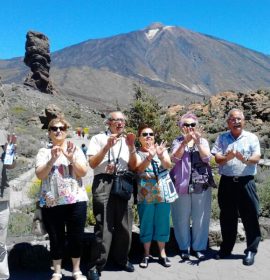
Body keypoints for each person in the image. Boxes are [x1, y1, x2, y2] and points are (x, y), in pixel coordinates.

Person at [35, 117, 89, 280]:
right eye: (54, 128)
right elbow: (40, 174)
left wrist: (71, 158)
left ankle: (76, 270)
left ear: (66, 131)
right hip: (52, 201)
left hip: (76, 200)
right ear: (49, 132)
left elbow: (83, 172)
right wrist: (51, 160)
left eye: (62, 128)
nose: (58, 131)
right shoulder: (43, 152)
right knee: (55, 237)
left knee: (76, 237)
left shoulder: (75, 149)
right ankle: (57, 271)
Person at [86, 111, 137, 280]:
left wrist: (131, 148)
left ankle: (122, 259)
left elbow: (134, 166)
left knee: (125, 224)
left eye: (123, 120)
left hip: (123, 181)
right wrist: (107, 147)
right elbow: (92, 163)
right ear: (109, 122)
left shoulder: (126, 140)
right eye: (117, 120)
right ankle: (96, 265)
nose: (120, 123)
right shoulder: (98, 139)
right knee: (103, 225)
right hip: (104, 182)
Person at [211, 108, 261, 266]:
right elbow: (218, 158)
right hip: (227, 182)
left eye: (239, 119)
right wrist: (228, 157)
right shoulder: (222, 138)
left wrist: (244, 159)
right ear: (228, 122)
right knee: (227, 216)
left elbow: (256, 157)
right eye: (233, 119)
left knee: (251, 216)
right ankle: (226, 248)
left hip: (246, 182)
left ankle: (251, 250)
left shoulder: (251, 138)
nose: (236, 121)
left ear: (244, 121)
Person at [170, 112, 214, 260]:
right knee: (181, 217)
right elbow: (174, 158)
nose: (189, 127)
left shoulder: (203, 141)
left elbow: (207, 158)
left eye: (192, 125)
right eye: (186, 124)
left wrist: (197, 143)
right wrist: (184, 142)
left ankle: (199, 247)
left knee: (200, 217)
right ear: (181, 127)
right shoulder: (177, 141)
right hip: (181, 185)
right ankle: (184, 247)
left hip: (200, 184)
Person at [135, 125, 176, 268]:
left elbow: (168, 164)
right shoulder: (136, 153)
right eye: (144, 134)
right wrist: (150, 156)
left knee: (163, 222)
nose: (148, 136)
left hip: (162, 192)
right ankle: (146, 254)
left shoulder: (161, 149)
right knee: (146, 222)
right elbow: (138, 169)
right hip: (145, 194)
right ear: (139, 138)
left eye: (151, 134)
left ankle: (162, 253)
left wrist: (159, 155)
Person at [0, 131, 16, 280]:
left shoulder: (3, 134)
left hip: (1, 198)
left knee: (1, 241)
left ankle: (2, 276)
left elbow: (10, 165)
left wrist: (11, 149)